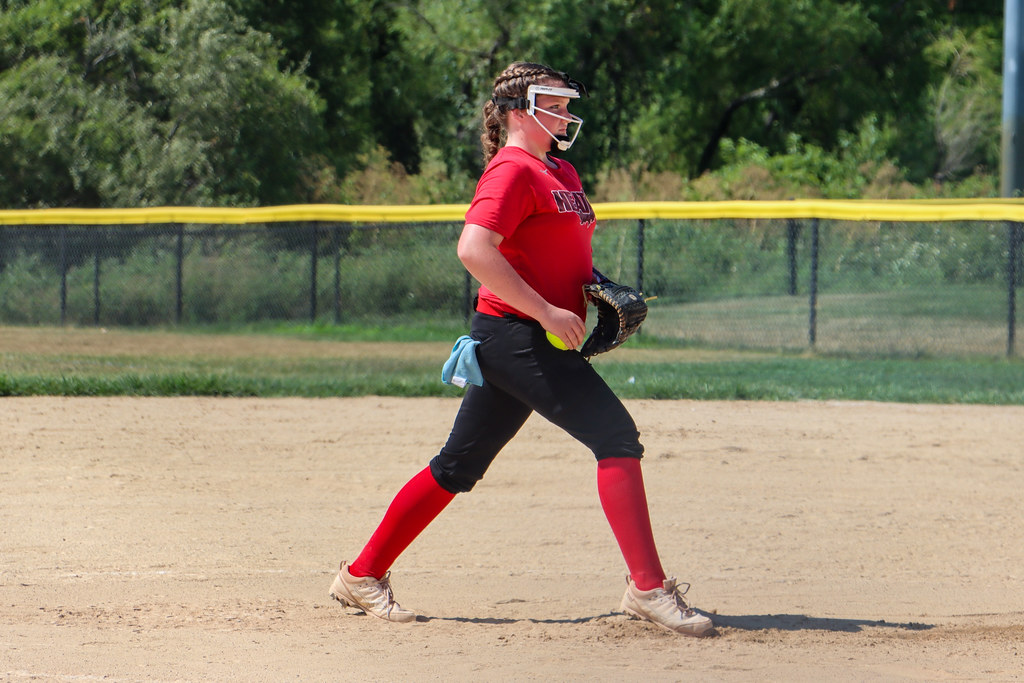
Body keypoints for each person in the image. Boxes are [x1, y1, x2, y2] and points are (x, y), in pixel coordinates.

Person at [329, 61, 713, 637]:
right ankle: (649, 589)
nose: (563, 113)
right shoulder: (510, 171)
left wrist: (594, 289)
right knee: (615, 438)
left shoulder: (562, 171)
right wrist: (549, 311)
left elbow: (558, 253)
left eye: (564, 103)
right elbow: (475, 249)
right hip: (516, 336)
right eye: (551, 103)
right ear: (516, 111)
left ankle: (361, 574)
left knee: (457, 466)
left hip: (530, 334)